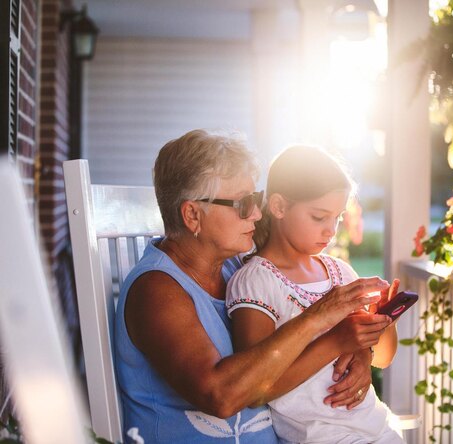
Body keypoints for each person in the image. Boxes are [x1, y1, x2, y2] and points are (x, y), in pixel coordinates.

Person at [114, 130, 392, 443]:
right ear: (192, 215)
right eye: (243, 204)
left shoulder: (236, 268)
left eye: (255, 199)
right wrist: (319, 316)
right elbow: (221, 396)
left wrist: (359, 351)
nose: (257, 214)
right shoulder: (155, 291)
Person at [227, 146, 405, 443]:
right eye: (319, 217)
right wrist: (335, 340)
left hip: (377, 431)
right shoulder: (257, 282)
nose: (331, 231)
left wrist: (384, 324)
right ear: (279, 207)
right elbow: (256, 387)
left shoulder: (341, 273)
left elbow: (383, 359)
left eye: (336, 217)